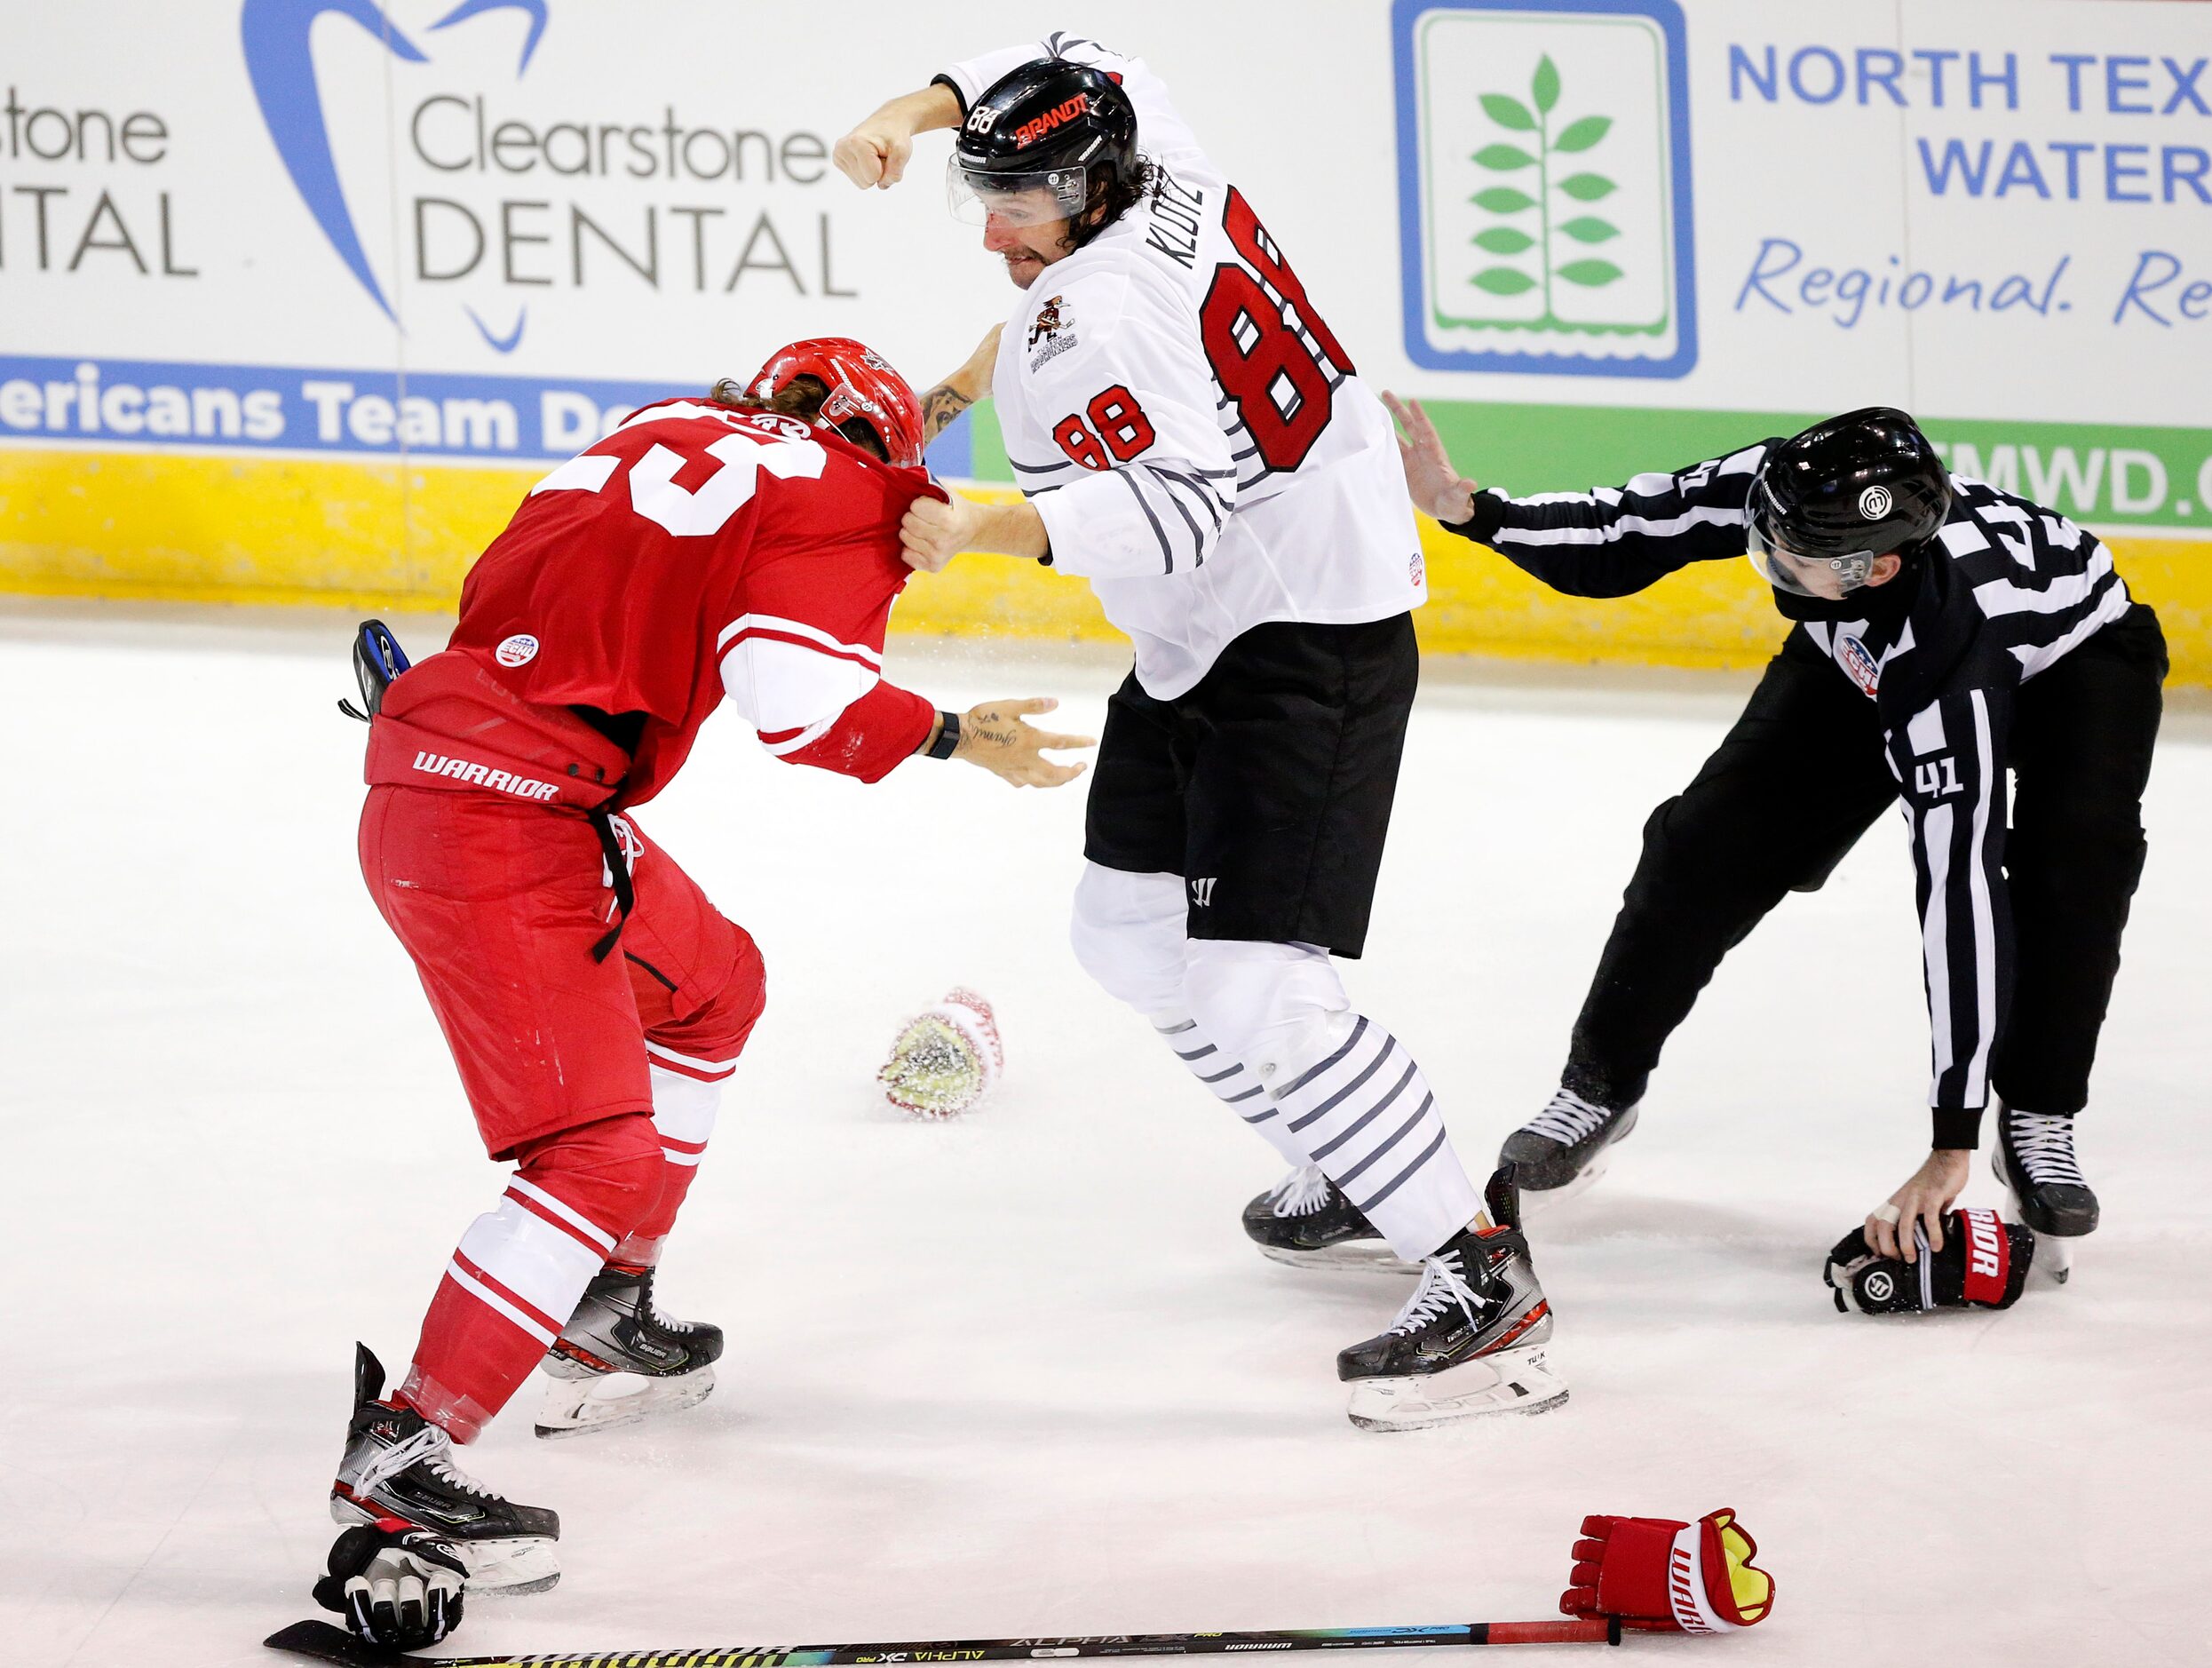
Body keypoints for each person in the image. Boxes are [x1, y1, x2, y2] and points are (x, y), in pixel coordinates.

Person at [316, 337, 1092, 1652]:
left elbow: (575, 568)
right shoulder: (846, 490)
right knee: (592, 1149)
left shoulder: (656, 421)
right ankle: (407, 1450)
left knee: (713, 986)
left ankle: (608, 1307)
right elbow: (793, 703)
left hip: (481, 777)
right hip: (507, 832)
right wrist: (952, 735)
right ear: (876, 448)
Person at [833, 34, 1560, 1434]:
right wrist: (908, 117)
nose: (989, 230)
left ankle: (1482, 1289)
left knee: (1258, 993)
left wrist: (997, 522)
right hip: (1216, 631)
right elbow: (1064, 49)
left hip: (1302, 633)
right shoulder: (1155, 150)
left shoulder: (1089, 325)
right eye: (978, 191)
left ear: (1088, 188)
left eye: (1014, 207)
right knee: (1120, 931)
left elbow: (1182, 506)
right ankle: (1355, 1161)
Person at [1385, 395, 2165, 1283]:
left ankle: (2039, 1116)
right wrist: (1473, 511)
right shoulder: (1791, 494)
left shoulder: (1949, 665)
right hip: (1874, 647)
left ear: (1872, 569)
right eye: (1771, 546)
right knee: (1700, 843)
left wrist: (1953, 1139)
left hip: (2080, 667)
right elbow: (1633, 530)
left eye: (1794, 563)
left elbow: (1959, 892)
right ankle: (1598, 1082)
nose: (1771, 568)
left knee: (2072, 873)